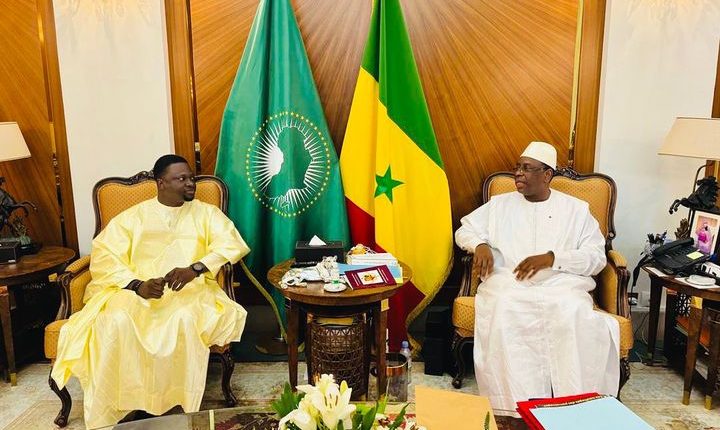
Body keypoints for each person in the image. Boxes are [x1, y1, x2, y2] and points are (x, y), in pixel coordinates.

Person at [51, 155, 250, 429]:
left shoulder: (207, 213)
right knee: (114, 321)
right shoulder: (133, 217)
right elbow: (105, 256)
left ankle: (175, 403)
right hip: (135, 290)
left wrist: (195, 269)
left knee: (182, 320)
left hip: (190, 291)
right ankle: (124, 403)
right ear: (161, 183)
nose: (190, 183)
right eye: (181, 179)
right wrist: (137, 285)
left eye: (191, 178)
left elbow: (232, 244)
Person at [455, 141, 619, 416]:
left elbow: (596, 257)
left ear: (547, 174)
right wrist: (479, 245)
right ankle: (511, 405)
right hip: (510, 282)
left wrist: (553, 258)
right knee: (504, 307)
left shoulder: (576, 210)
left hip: (560, 284)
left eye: (527, 168)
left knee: (572, 310)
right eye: (517, 167)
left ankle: (571, 403)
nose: (518, 173)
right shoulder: (499, 205)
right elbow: (465, 230)